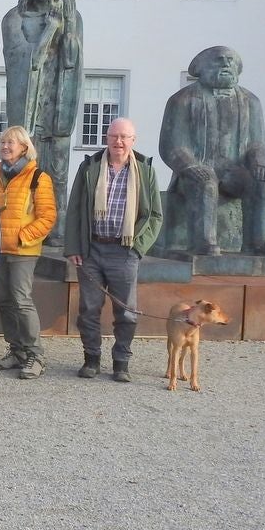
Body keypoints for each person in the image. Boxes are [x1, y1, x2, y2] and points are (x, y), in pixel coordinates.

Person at [65, 117, 163, 382]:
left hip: (125, 251)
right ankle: (91, 359)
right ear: (106, 138)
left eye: (124, 137)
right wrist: (74, 247)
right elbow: (74, 209)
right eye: (113, 136)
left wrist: (138, 249)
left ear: (133, 140)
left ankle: (121, 362)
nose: (118, 142)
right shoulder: (90, 167)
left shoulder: (145, 169)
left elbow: (154, 215)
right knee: (88, 308)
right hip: (92, 249)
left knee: (127, 311)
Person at [158, 45, 265, 255]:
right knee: (206, 182)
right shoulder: (181, 100)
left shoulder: (251, 102)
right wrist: (191, 166)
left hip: (233, 171)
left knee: (264, 187)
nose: (226, 64)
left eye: (231, 61)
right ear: (201, 69)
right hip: (194, 172)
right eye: (219, 60)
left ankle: (257, 244)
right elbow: (172, 146)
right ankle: (203, 243)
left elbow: (257, 144)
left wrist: (261, 164)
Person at [2, 0, 83, 242]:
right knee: (27, 174)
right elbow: (26, 61)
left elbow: (74, 61)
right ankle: (25, 230)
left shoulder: (71, 18)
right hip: (27, 110)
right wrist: (51, 29)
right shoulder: (15, 18)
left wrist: (69, 26)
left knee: (57, 172)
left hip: (58, 106)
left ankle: (55, 234)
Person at [0, 126, 57, 380]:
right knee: (4, 302)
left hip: (23, 250)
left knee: (21, 300)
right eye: (2, 142)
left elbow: (48, 216)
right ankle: (16, 350)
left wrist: (22, 236)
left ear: (24, 147)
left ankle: (35, 354)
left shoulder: (38, 177)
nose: (5, 146)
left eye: (11, 143)